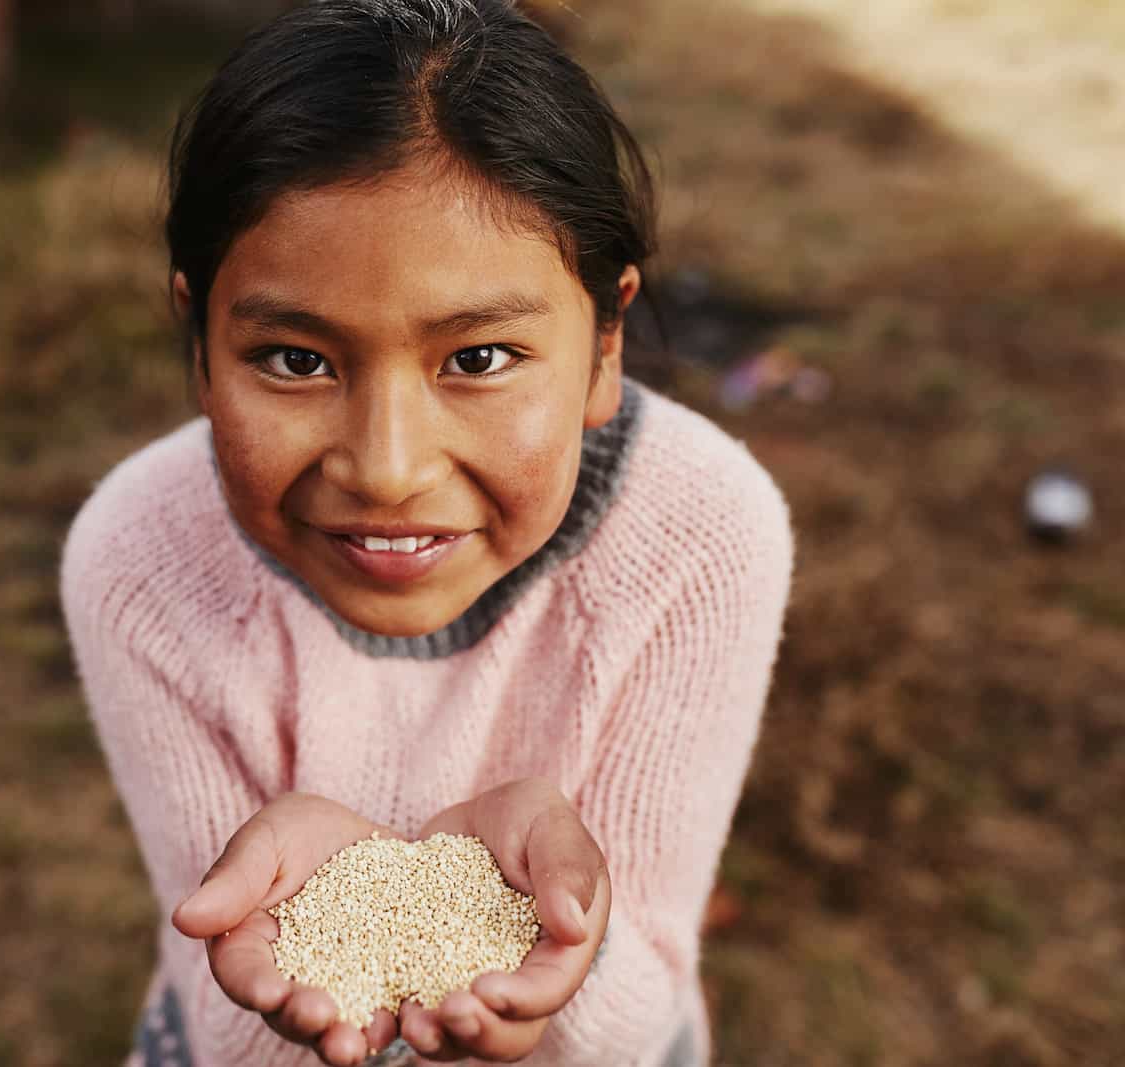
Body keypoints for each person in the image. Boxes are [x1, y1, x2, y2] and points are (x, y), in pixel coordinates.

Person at [59, 0, 794, 1063]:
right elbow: (228, 1021)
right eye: (296, 360)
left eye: (480, 357)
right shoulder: (139, 557)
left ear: (601, 344)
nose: (389, 468)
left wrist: (568, 953)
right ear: (200, 335)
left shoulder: (698, 533)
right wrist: (293, 963)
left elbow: (643, 1019)